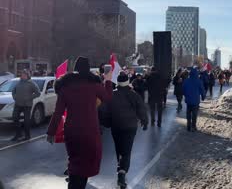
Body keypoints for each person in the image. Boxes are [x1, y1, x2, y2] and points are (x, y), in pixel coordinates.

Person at [47, 57, 113, 189]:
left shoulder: (65, 87)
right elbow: (108, 98)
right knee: (86, 165)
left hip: (72, 131)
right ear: (88, 68)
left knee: (74, 163)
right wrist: (108, 80)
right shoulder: (94, 85)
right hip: (90, 131)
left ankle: (73, 184)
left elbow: (58, 112)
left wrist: (51, 132)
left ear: (75, 69)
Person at [106, 74, 148, 188]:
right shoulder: (133, 95)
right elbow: (141, 109)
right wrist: (145, 121)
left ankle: (120, 168)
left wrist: (106, 122)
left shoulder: (112, 95)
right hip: (130, 127)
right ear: (127, 81)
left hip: (116, 126)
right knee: (126, 150)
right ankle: (122, 172)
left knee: (119, 149)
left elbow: (105, 110)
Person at [11, 70, 41, 141]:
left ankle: (27, 136)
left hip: (27, 105)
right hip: (18, 103)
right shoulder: (18, 82)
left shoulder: (31, 83)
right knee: (15, 117)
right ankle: (18, 134)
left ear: (27, 75)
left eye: (24, 75)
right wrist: (14, 97)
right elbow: (13, 91)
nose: (22, 76)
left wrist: (30, 98)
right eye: (21, 74)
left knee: (26, 121)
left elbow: (38, 93)